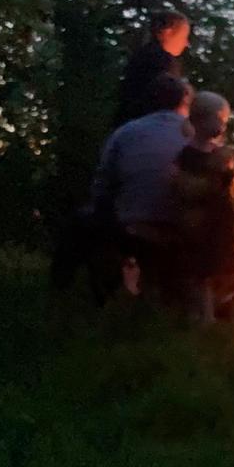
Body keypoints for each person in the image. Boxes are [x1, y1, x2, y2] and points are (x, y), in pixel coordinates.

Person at [91, 73, 194, 300]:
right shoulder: (197, 136)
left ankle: (96, 291)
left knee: (86, 220)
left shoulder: (124, 133)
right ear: (184, 102)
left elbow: (102, 185)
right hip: (183, 231)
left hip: (132, 228)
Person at [175, 91, 234, 323]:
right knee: (201, 271)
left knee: (221, 266)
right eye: (219, 119)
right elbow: (186, 187)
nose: (223, 125)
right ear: (200, 120)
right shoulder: (188, 156)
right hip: (199, 222)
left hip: (220, 221)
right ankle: (201, 317)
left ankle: (221, 308)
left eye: (225, 120)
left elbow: (227, 188)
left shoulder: (221, 154)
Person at [113, 10, 191, 127]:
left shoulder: (140, 56)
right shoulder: (163, 61)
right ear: (167, 32)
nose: (186, 43)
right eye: (183, 36)